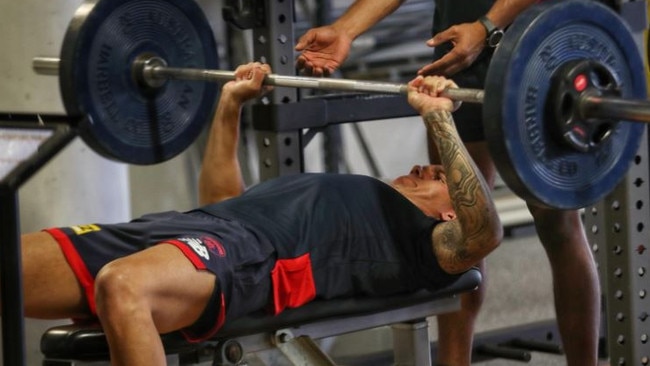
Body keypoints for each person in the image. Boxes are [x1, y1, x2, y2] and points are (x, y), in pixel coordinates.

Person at [19, 62, 502, 366]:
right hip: (200, 227)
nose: (422, 166)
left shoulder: (422, 243)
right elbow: (222, 198)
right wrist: (229, 106)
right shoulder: (356, 194)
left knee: (123, 286)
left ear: (448, 216)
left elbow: (484, 233)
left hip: (259, 258)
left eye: (436, 176)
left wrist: (439, 116)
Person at [295, 1, 600, 365]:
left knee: (558, 224)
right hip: (458, 51)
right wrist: (346, 28)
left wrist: (487, 25)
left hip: (537, 47)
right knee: (456, 226)